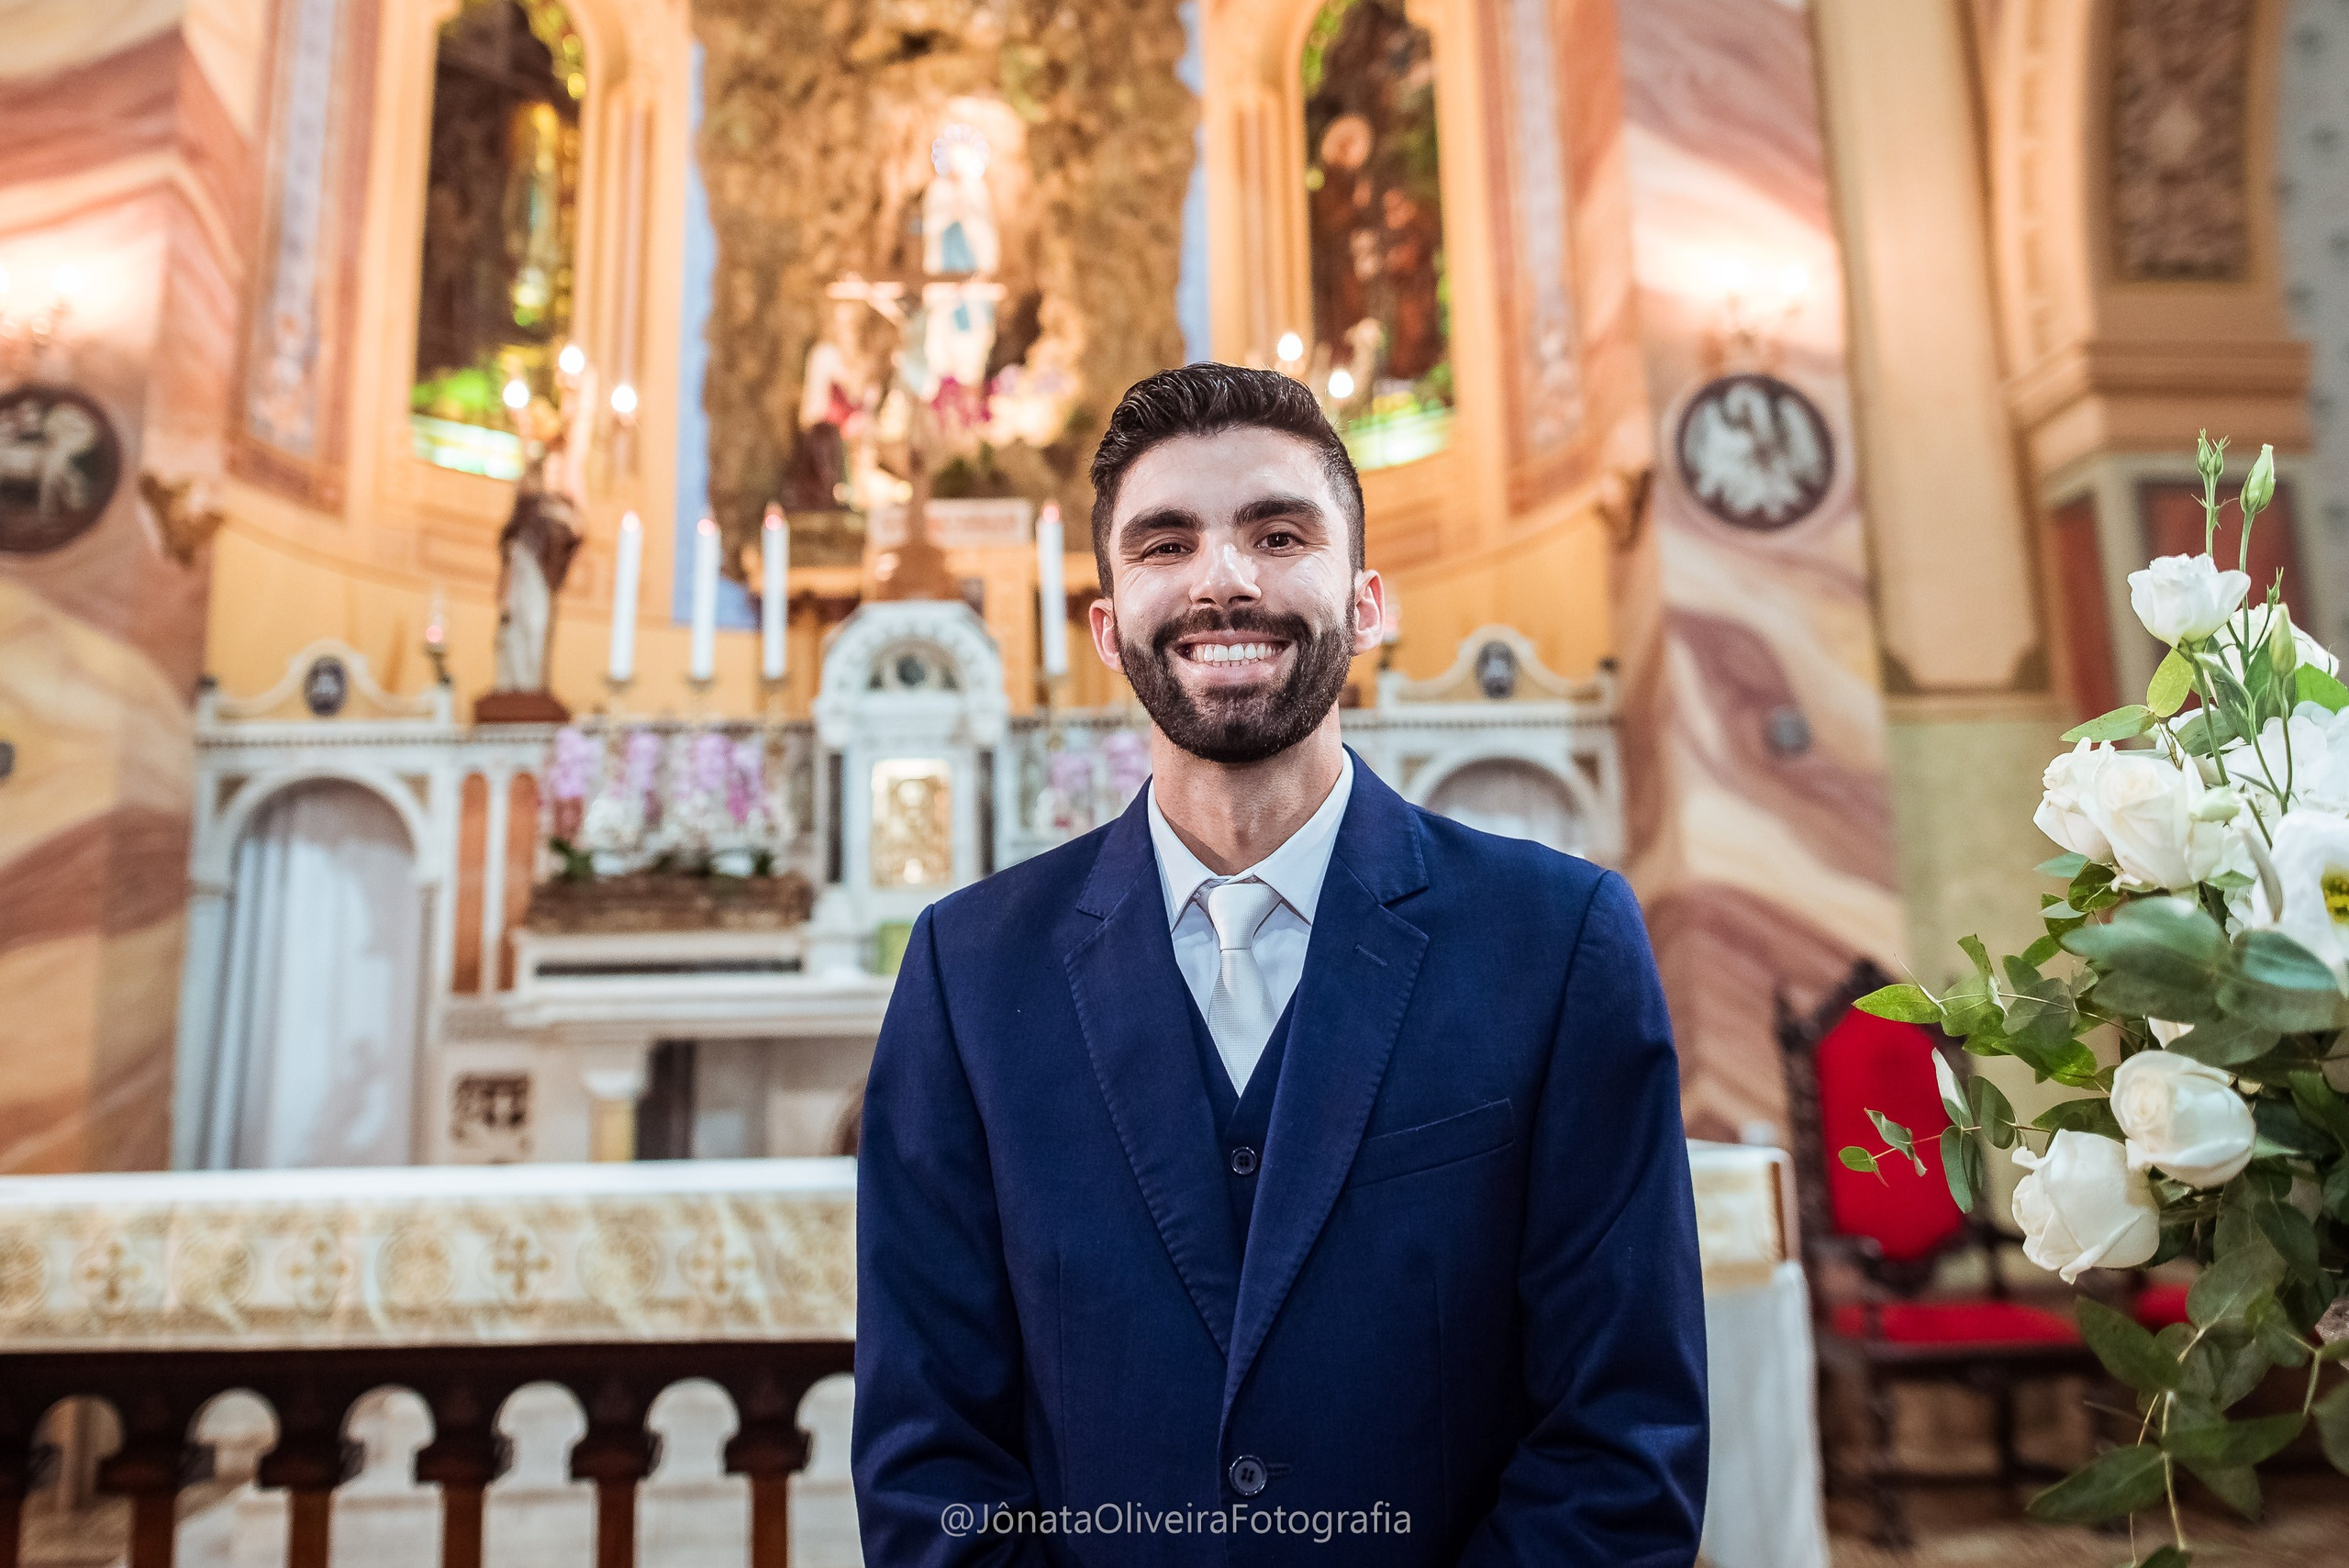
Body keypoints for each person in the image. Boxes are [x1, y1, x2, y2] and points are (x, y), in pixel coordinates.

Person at [852, 363, 1708, 1566]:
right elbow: (928, 1452)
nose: (1224, 578)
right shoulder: (967, 969)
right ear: (1107, 625)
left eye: (1278, 532)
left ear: (1366, 604)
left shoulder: (1559, 943)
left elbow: (1623, 1434)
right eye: (1163, 543)